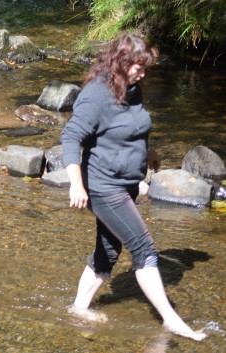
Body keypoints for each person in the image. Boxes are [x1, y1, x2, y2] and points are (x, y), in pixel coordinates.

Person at [61, 34, 207, 341]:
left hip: (126, 184)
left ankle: (78, 309)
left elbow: (129, 126)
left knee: (108, 251)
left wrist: (147, 151)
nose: (143, 74)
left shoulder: (131, 88)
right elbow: (71, 137)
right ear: (120, 63)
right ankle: (171, 320)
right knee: (144, 249)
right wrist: (76, 184)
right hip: (103, 186)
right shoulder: (96, 94)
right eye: (139, 68)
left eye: (146, 69)